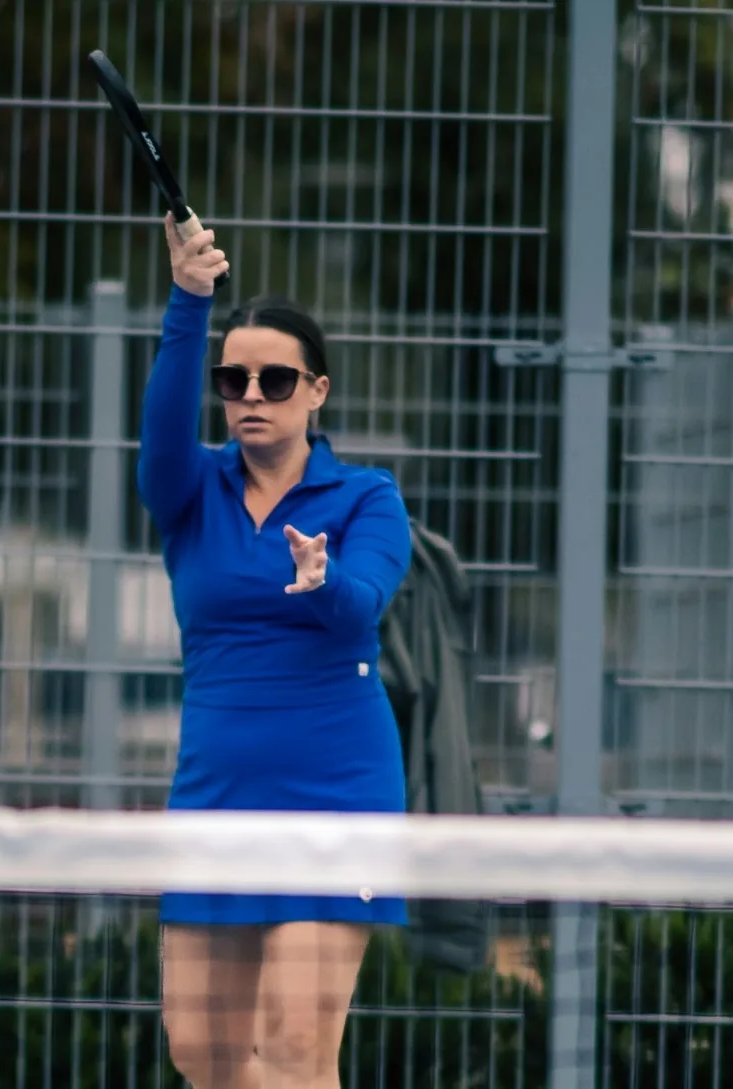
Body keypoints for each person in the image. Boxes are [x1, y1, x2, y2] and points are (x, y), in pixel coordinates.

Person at [137, 213, 413, 1089]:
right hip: (215, 796)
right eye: (234, 379)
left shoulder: (366, 497)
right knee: (203, 1054)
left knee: (297, 1049)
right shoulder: (190, 491)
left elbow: (361, 605)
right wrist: (189, 299)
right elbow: (159, 439)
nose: (251, 394)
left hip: (335, 793)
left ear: (316, 390)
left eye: (276, 379)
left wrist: (319, 582)